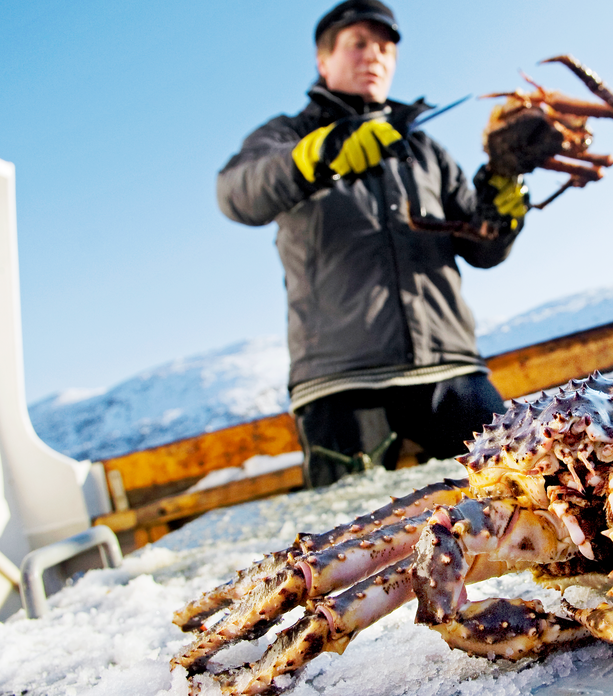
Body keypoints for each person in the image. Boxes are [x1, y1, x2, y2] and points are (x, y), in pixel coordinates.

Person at [217, 0, 529, 487]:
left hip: (451, 371)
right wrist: (316, 155)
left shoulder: (423, 147)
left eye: (385, 47)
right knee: (339, 541)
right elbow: (236, 193)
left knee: (521, 488)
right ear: (324, 61)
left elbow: (483, 247)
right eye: (358, 44)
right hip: (341, 385)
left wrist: (503, 202)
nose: (374, 56)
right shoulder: (288, 134)